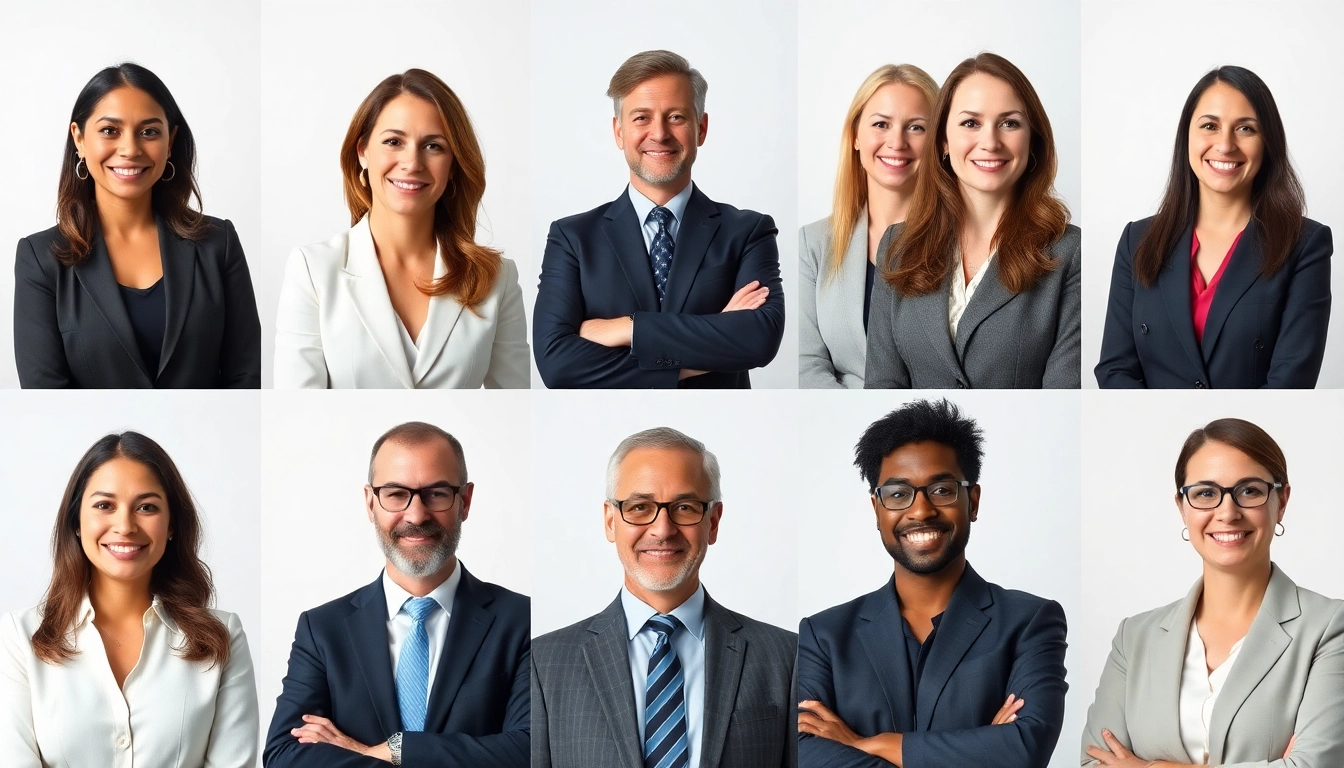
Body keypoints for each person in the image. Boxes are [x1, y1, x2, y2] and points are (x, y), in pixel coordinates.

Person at [798, 399, 1067, 767]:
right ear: (877, 510)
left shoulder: (1030, 620)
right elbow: (803, 751)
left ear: (972, 501)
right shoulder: (823, 635)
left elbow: (1025, 748)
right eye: (897, 494)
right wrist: (982, 749)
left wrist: (868, 744)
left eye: (941, 490)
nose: (921, 510)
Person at [1081, 418, 1344, 766]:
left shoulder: (1329, 628)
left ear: (1281, 501)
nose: (1227, 512)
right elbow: (1093, 761)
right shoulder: (1134, 638)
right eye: (1206, 493)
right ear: (1182, 507)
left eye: (1249, 490)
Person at [264, 421, 529, 767]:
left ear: (464, 501)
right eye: (395, 494)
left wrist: (397, 749)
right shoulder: (322, 629)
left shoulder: (522, 620)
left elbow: (529, 750)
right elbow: (285, 756)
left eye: (437, 493)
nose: (417, 515)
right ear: (370, 503)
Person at [531, 427, 795, 766]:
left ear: (713, 522)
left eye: (684, 507)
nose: (662, 529)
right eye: (640, 507)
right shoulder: (544, 663)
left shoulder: (786, 657)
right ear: (611, 521)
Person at [0, 432, 258, 766]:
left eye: (146, 507)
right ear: (76, 521)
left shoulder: (223, 635)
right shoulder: (19, 638)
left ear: (172, 525)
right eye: (104, 506)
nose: (124, 525)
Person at [532, 50, 785, 388]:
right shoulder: (572, 237)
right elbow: (556, 364)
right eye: (641, 118)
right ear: (619, 132)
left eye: (676, 117)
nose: (659, 133)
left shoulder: (748, 231)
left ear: (702, 128)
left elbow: (759, 339)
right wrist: (713, 340)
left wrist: (627, 329)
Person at [274, 70, 530, 389]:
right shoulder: (312, 270)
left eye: (434, 146)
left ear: (454, 164)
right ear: (362, 151)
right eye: (394, 141)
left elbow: (510, 402)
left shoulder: (496, 278)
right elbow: (300, 406)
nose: (412, 162)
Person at [13, 63, 262, 388]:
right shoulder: (40, 258)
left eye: (149, 131)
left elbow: (244, 378)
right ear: (79, 139)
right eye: (109, 131)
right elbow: (43, 391)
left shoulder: (219, 244)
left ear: (170, 141)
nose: (130, 149)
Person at [1095, 66, 1332, 389]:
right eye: (1210, 126)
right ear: (1187, 137)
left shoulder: (1305, 245)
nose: (1225, 145)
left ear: (1268, 142)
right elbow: (1115, 371)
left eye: (1246, 129)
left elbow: (1292, 380)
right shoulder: (1136, 242)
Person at [864, 53, 1080, 389]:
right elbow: (881, 386)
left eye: (1009, 123)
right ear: (944, 142)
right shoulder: (897, 246)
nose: (990, 142)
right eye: (970, 123)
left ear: (1032, 139)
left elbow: (1064, 393)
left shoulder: (1069, 252)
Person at [800, 64, 939, 389]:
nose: (897, 141)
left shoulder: (966, 240)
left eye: (917, 128)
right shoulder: (813, 244)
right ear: (855, 137)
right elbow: (805, 367)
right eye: (881, 124)